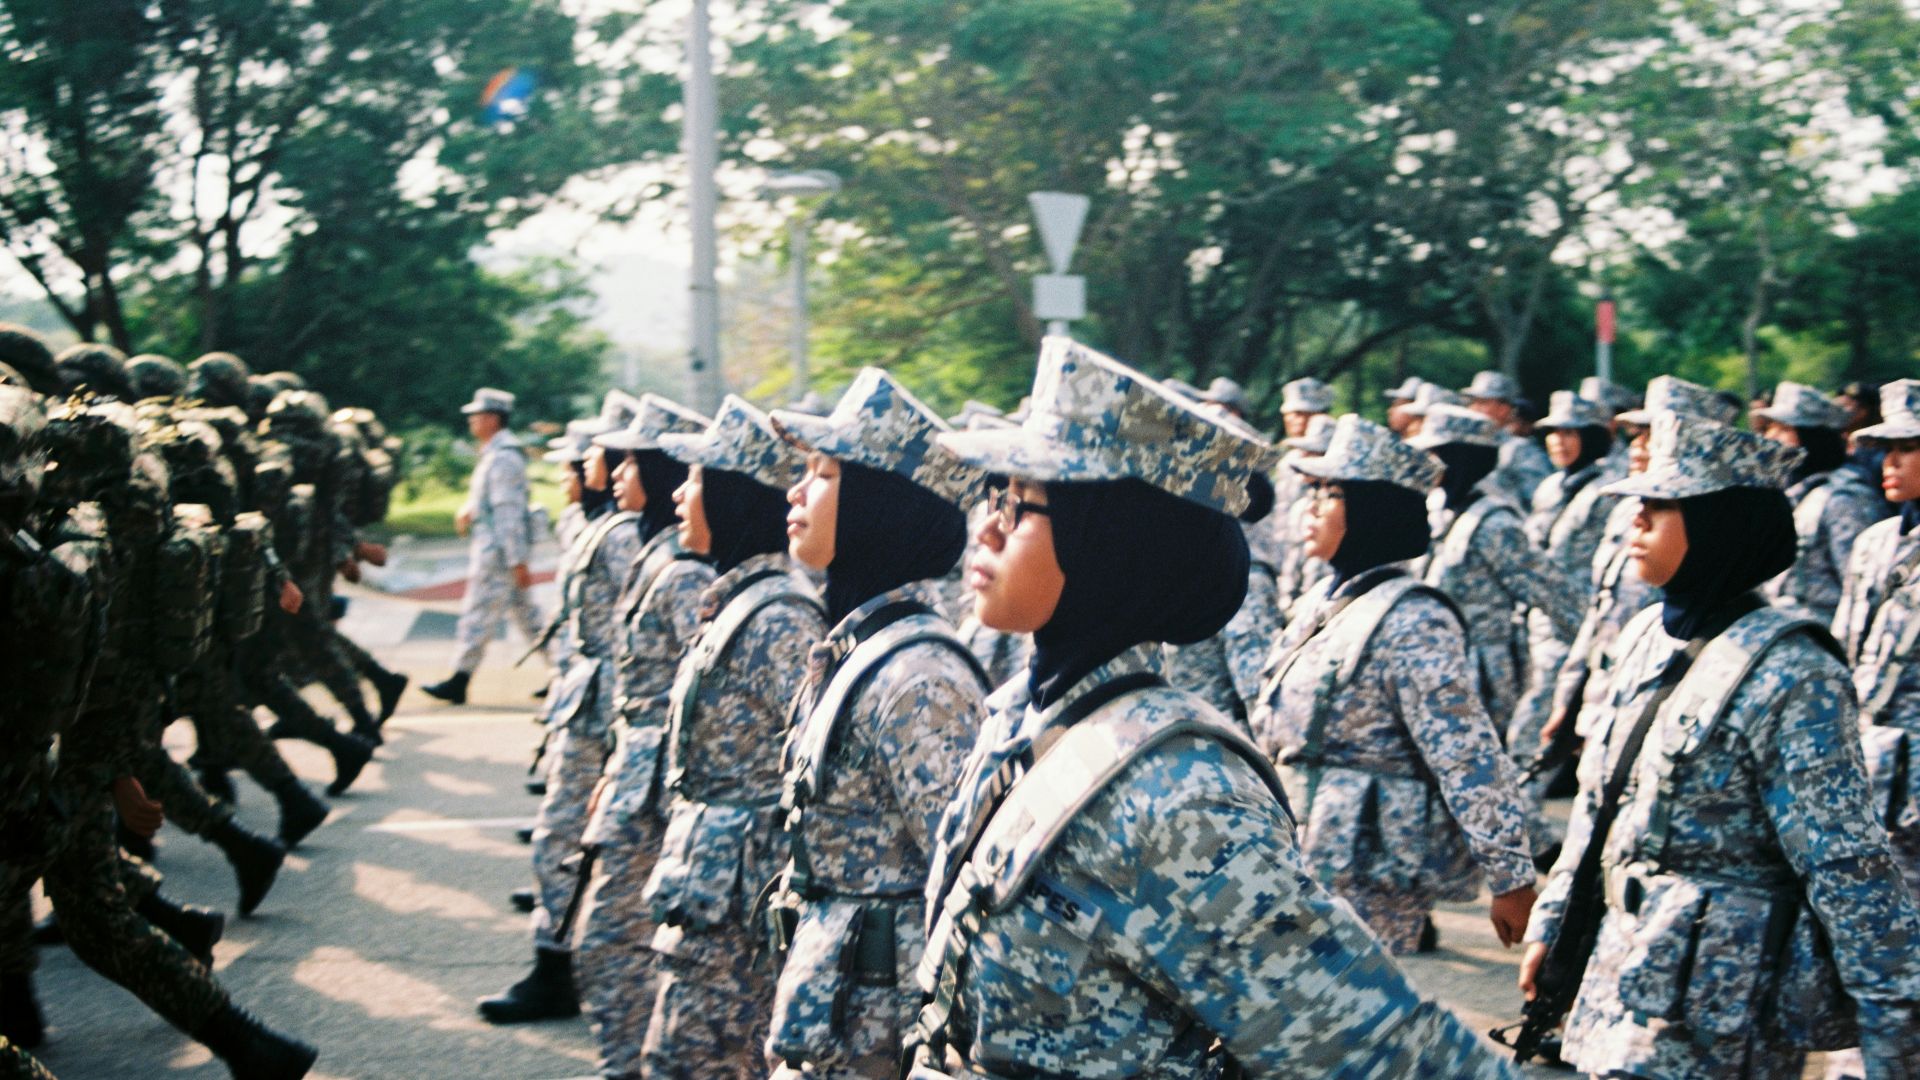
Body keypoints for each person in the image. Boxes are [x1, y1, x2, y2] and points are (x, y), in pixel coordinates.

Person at [908, 338, 1521, 1078]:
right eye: (992, 496)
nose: (989, 527)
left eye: (1020, 503)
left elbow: (1384, 1051)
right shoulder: (1020, 714)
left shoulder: (1176, 797)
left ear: (1110, 542)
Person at [1521, 410, 1920, 1077]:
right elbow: (1598, 804)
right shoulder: (1648, 635)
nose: (1636, 523)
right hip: (1620, 977)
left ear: (1718, 525)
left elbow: (1846, 865)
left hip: (1720, 1004)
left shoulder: (1794, 672)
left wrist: (1894, 1035)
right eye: (1639, 503)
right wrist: (1553, 925)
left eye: (1660, 506)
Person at [761, 368, 990, 1077]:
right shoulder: (856, 646)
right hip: (836, 1002)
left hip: (881, 1028)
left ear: (879, 505)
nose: (796, 491)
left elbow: (962, 887)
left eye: (823, 474)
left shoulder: (917, 677)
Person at [1255, 414, 1538, 955]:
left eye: (1330, 494)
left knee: (1346, 1015)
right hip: (1300, 845)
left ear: (1370, 512)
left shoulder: (1414, 620)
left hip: (1365, 865)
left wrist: (1510, 877)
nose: (1310, 507)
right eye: (1312, 491)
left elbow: (1466, 754)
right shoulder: (1324, 601)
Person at [639, 397, 824, 1078]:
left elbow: (810, 771)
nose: (681, 494)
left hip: (741, 912)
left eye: (698, 481)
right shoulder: (738, 600)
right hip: (708, 895)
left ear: (736, 497)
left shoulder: (780, 620)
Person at [480, 402, 645, 1026]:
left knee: (576, 837)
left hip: (611, 708)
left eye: (601, 455)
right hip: (590, 698)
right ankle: (555, 959)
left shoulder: (626, 535)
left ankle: (562, 968)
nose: (580, 467)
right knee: (562, 833)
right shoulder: (605, 525)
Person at [562, 396, 712, 1077]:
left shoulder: (683, 571)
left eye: (629, 460)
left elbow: (701, 698)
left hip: (666, 793)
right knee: (606, 942)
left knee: (620, 942)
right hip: (637, 773)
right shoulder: (653, 549)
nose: (615, 471)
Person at [1543, 377, 1742, 758]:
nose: (1636, 445)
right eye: (1636, 433)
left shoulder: (1718, 524)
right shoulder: (1625, 509)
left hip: (1670, 701)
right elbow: (1602, 609)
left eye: (1652, 434)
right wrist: (1570, 698)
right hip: (1612, 690)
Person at [1412, 404, 1578, 732]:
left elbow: (1556, 596)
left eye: (1435, 454)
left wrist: (1586, 671)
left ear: (1459, 458)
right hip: (1431, 662)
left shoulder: (1494, 523)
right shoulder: (1436, 509)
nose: (1425, 465)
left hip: (1479, 674)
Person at [1835, 379, 1920, 898]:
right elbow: (1844, 645)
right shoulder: (1875, 542)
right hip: (1866, 756)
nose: (1890, 462)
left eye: (1908, 449)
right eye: (1886, 449)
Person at [1507, 391, 1622, 761]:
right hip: (1535, 623)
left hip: (1573, 626)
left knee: (1532, 733)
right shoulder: (1550, 487)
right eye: (1553, 433)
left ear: (1590, 438)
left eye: (1570, 434)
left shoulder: (1606, 492)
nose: (1558, 441)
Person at [424, 388, 543, 705]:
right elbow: (492, 502)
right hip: (499, 551)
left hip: (498, 554)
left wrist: (517, 560)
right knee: (529, 617)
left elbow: (509, 512)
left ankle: (459, 678)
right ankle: (566, 669)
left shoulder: (503, 457)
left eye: (476, 416)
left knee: (479, 614)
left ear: (493, 419)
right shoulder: (494, 453)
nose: (472, 421)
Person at [1760, 382, 1887, 625]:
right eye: (1770, 427)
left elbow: (1865, 597)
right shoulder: (1791, 494)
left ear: (1812, 437)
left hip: (1825, 643)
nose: (1770, 437)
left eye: (1783, 428)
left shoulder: (1845, 499)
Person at [1463, 370, 1554, 509]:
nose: (1474, 408)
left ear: (1503, 409)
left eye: (1482, 402)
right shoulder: (1463, 447)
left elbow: (1541, 504)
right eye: (1473, 402)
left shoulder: (1521, 451)